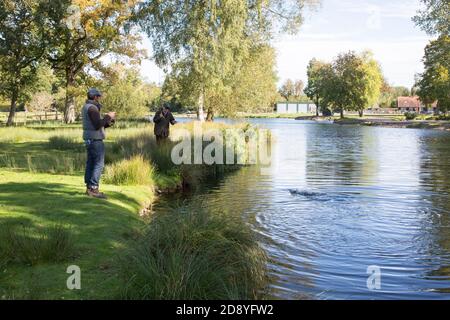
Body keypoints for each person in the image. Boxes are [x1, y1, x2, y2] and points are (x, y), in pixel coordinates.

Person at [82, 88, 116, 199]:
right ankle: (94, 189)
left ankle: (89, 188)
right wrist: (108, 116)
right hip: (95, 140)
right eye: (99, 96)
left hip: (90, 139)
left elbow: (98, 125)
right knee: (98, 164)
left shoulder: (87, 107)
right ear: (95, 97)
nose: (99, 98)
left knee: (91, 163)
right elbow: (97, 125)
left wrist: (109, 122)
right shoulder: (92, 108)